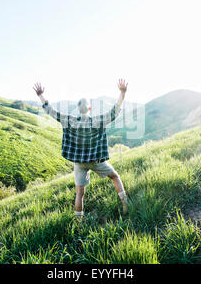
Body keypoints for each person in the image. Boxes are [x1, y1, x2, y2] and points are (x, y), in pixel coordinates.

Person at [33, 79, 129, 219]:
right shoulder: (97, 121)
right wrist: (122, 92)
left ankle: (78, 222)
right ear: (89, 109)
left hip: (79, 163)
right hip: (96, 161)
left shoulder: (69, 120)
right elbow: (114, 112)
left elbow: (51, 111)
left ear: (79, 109)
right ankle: (125, 204)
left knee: (80, 193)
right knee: (114, 176)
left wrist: (41, 95)